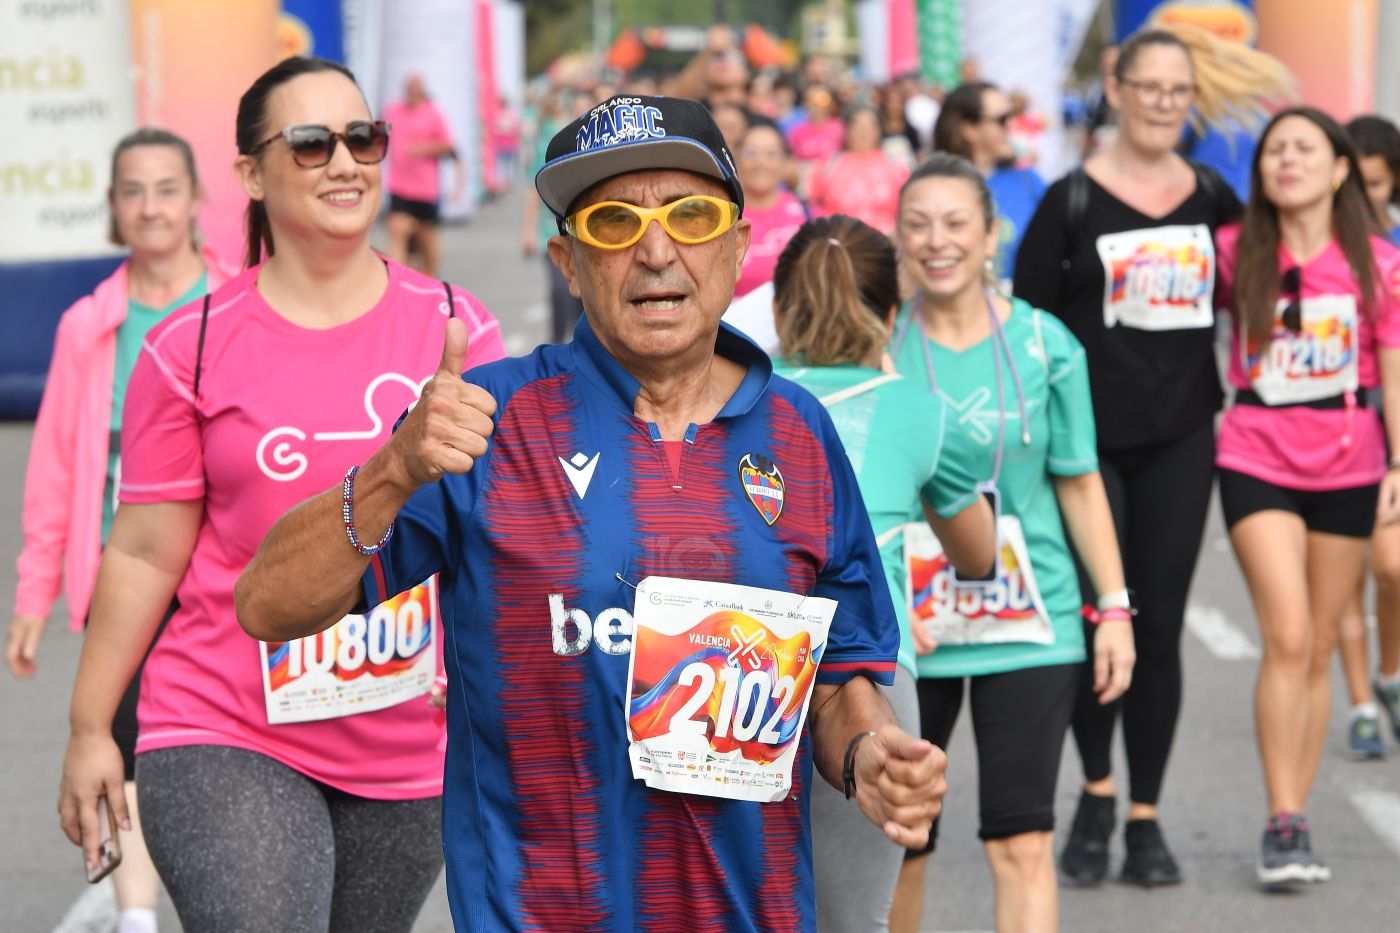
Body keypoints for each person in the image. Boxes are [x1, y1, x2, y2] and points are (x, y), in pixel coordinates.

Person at [235, 94, 948, 932]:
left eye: (690, 215)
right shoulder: (483, 422)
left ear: (737, 247)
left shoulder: (800, 434)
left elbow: (837, 679)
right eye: (611, 223)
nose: (654, 250)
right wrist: (393, 470)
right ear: (567, 263)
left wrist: (870, 751)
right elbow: (267, 606)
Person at [56, 56, 506, 932]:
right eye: (310, 143)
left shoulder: (458, 326)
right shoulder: (188, 345)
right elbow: (146, 549)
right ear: (252, 175)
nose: (345, 161)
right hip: (222, 720)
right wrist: (87, 730)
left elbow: (498, 535)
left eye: (362, 137)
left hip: (405, 743)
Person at [1012, 24, 1289, 888]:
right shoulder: (1071, 202)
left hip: (1180, 439)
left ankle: (1145, 815)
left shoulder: (1214, 197)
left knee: (1160, 628)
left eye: (1180, 90)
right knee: (1103, 617)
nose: (1165, 103)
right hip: (1083, 451)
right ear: (1117, 87)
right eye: (1151, 87)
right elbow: (1027, 328)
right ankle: (1095, 792)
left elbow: (1274, 287)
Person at [891, 153, 1135, 933]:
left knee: (1022, 840)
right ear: (897, 237)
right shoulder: (876, 345)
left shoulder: (1046, 343)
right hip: (912, 631)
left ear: (991, 234)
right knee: (903, 842)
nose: (938, 241)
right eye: (918, 224)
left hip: (1033, 621)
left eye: (956, 222)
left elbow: (1079, 480)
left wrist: (1116, 607)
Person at [8, 128, 234, 933]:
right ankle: (138, 916)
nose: (150, 207)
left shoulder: (238, 301)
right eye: (132, 191)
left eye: (167, 188)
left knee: (225, 749)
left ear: (196, 199)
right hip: (129, 572)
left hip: (230, 577)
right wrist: (34, 591)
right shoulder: (87, 325)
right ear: (111, 206)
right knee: (131, 745)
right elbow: (57, 469)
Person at [771, 214, 996, 932]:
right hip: (872, 670)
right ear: (892, 314)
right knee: (852, 918)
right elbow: (978, 554)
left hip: (742, 658)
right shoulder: (920, 410)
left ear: (777, 311)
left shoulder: (736, 396)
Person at [1214, 106, 1400, 886]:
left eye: (1306, 148)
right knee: (1287, 633)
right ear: (1261, 173)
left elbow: (1392, 367)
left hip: (1352, 461)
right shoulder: (1231, 252)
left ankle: (1298, 816)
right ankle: (1281, 816)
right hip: (1255, 450)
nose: (1287, 160)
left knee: (1322, 641)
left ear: (1338, 170)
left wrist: (1398, 464)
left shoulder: (1378, 263)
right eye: (1274, 150)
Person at [933, 82, 1045, 283]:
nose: (1012, 125)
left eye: (1013, 116)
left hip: (1019, 308)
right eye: (1002, 119)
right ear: (969, 129)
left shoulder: (1029, 182)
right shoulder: (932, 189)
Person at [521, 88, 587, 343]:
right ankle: (557, 342)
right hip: (552, 232)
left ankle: (583, 345)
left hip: (586, 232)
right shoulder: (552, 142)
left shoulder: (595, 144)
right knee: (561, 290)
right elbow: (533, 189)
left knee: (585, 296)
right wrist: (527, 233)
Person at [384, 74, 462, 277]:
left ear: (421, 90)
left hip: (425, 189)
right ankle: (397, 279)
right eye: (408, 87)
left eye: (415, 87)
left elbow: (449, 146)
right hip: (399, 185)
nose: (411, 91)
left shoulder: (433, 113)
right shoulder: (392, 111)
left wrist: (425, 148)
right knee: (398, 231)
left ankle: (430, 277)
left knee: (426, 238)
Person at [806, 106, 911, 237]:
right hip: (840, 243)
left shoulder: (895, 165)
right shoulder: (828, 165)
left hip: (885, 244)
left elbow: (908, 204)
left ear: (879, 131)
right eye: (857, 125)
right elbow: (813, 204)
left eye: (870, 126)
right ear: (847, 129)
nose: (863, 131)